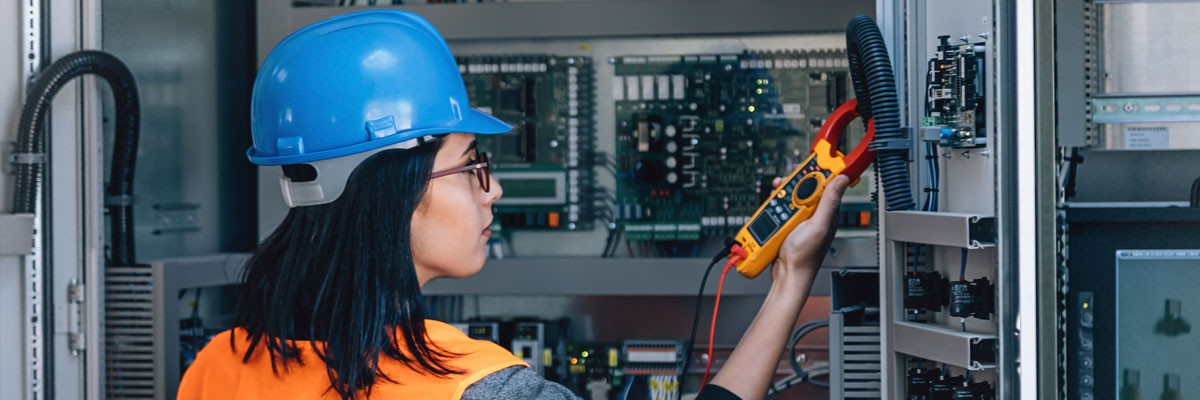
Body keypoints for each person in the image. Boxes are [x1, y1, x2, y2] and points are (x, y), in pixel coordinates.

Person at [177, 9, 850, 400]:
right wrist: (793, 276)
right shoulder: (480, 388)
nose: (492, 189)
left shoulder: (215, 368)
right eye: (473, 166)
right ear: (395, 192)